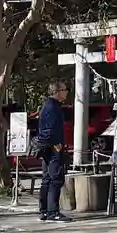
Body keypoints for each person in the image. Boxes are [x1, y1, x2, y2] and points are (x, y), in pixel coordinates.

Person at [37, 81, 69, 222]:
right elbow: (49, 128)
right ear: (57, 92)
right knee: (55, 178)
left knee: (48, 178)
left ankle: (44, 211)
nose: (66, 92)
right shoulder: (52, 107)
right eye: (64, 90)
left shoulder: (50, 106)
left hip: (48, 146)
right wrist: (55, 143)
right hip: (52, 147)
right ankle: (52, 211)